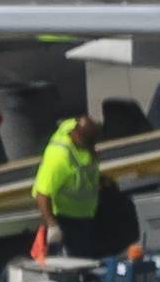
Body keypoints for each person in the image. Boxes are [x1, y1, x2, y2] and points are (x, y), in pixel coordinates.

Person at [32, 112, 140, 262]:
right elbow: (42, 194)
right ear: (77, 136)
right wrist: (52, 225)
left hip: (87, 214)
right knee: (80, 261)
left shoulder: (74, 128)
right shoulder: (59, 158)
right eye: (88, 143)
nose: (92, 147)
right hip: (68, 219)